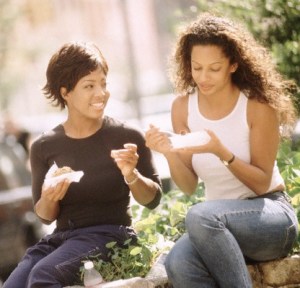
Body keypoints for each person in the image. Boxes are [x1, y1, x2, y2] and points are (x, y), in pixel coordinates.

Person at [145, 13, 298, 288]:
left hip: (271, 217)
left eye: (214, 68)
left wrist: (220, 151)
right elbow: (189, 186)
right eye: (196, 67)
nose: (203, 77)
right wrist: (168, 151)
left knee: (200, 215)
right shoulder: (182, 108)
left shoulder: (256, 106)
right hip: (213, 228)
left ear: (233, 64)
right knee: (177, 262)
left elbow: (262, 182)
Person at [4, 42, 162, 288]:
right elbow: (45, 217)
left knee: (44, 276)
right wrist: (50, 196)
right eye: (89, 86)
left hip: (112, 235)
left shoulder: (126, 136)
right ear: (65, 92)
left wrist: (131, 174)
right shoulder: (44, 146)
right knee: (14, 284)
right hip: (62, 239)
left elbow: (152, 200)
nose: (101, 93)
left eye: (103, 83)